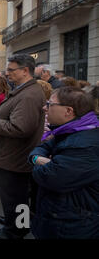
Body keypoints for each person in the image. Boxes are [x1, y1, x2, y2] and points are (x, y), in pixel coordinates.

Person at [0, 54, 46, 239]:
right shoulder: (25, 90)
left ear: (25, 71)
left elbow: (20, 128)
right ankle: (16, 222)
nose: (7, 73)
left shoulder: (29, 95)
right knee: (17, 197)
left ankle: (14, 231)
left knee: (15, 196)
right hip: (13, 155)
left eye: (11, 70)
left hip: (14, 157)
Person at [29, 87, 99, 239]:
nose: (44, 108)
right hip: (61, 215)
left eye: (50, 104)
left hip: (71, 224)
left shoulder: (84, 145)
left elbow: (49, 176)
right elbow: (41, 149)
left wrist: (39, 162)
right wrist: (37, 159)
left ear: (68, 111)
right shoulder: (71, 130)